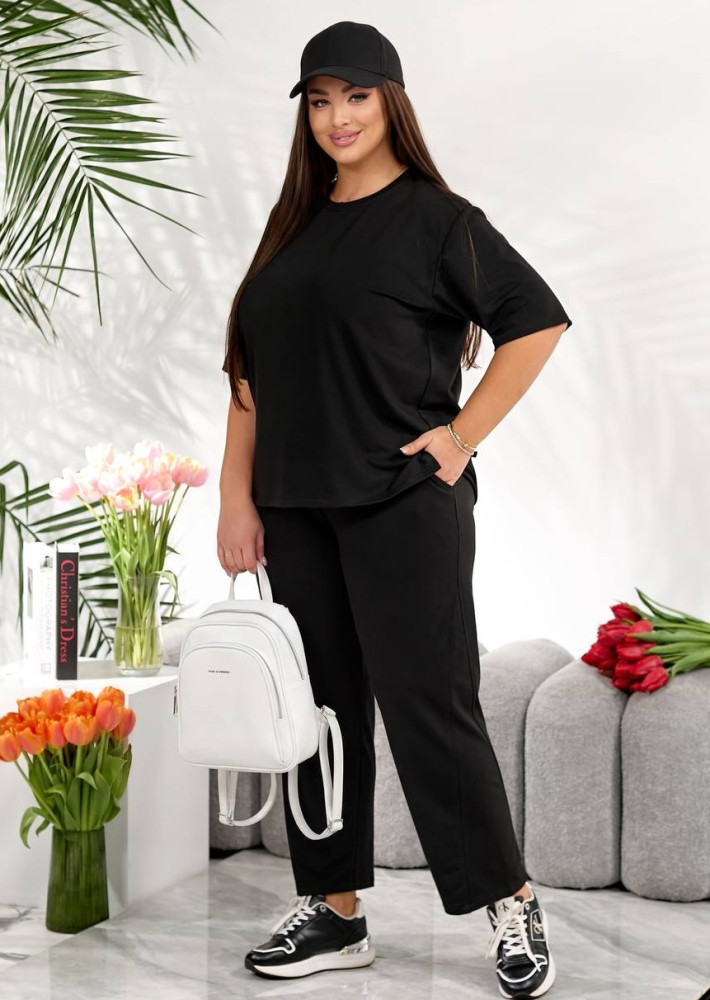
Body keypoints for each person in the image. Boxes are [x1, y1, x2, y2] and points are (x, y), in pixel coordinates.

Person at [218, 20, 571, 1000]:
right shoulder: (291, 224)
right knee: (320, 716)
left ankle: (509, 898)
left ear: (391, 102)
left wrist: (459, 437)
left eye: (356, 96)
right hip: (294, 511)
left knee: (429, 706)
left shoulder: (438, 220)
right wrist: (235, 494)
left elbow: (536, 322)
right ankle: (333, 911)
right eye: (319, 100)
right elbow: (248, 374)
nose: (337, 117)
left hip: (402, 504)